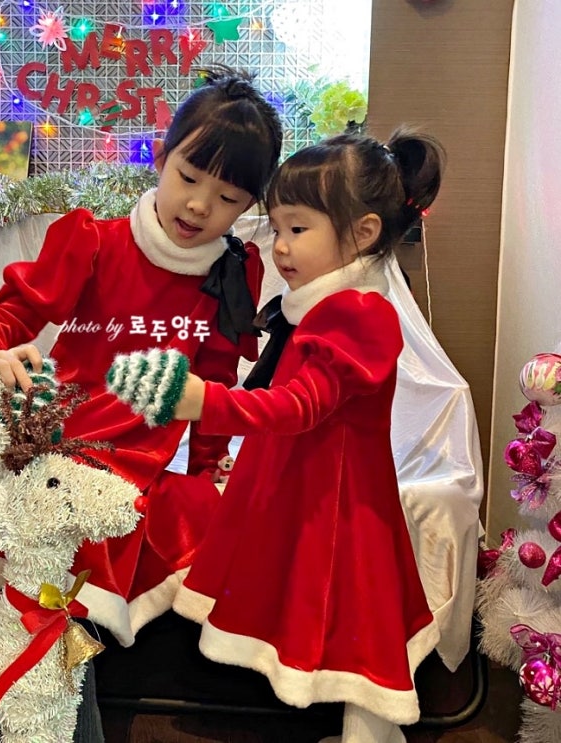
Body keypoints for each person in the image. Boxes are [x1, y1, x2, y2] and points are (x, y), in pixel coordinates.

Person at [0, 67, 283, 651]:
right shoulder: (95, 240)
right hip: (55, 428)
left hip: (132, 461)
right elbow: (9, 314)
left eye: (228, 198)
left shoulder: (234, 272)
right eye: (188, 177)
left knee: (164, 516)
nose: (200, 205)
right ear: (160, 157)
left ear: (251, 204)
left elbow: (215, 382)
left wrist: (207, 469)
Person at [108, 127, 446, 743]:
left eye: (298, 229)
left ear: (363, 233)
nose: (282, 247)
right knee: (333, 608)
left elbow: (301, 405)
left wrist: (205, 402)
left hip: (336, 499)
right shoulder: (322, 307)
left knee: (351, 611)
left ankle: (372, 729)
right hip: (306, 484)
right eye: (278, 228)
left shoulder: (359, 314)